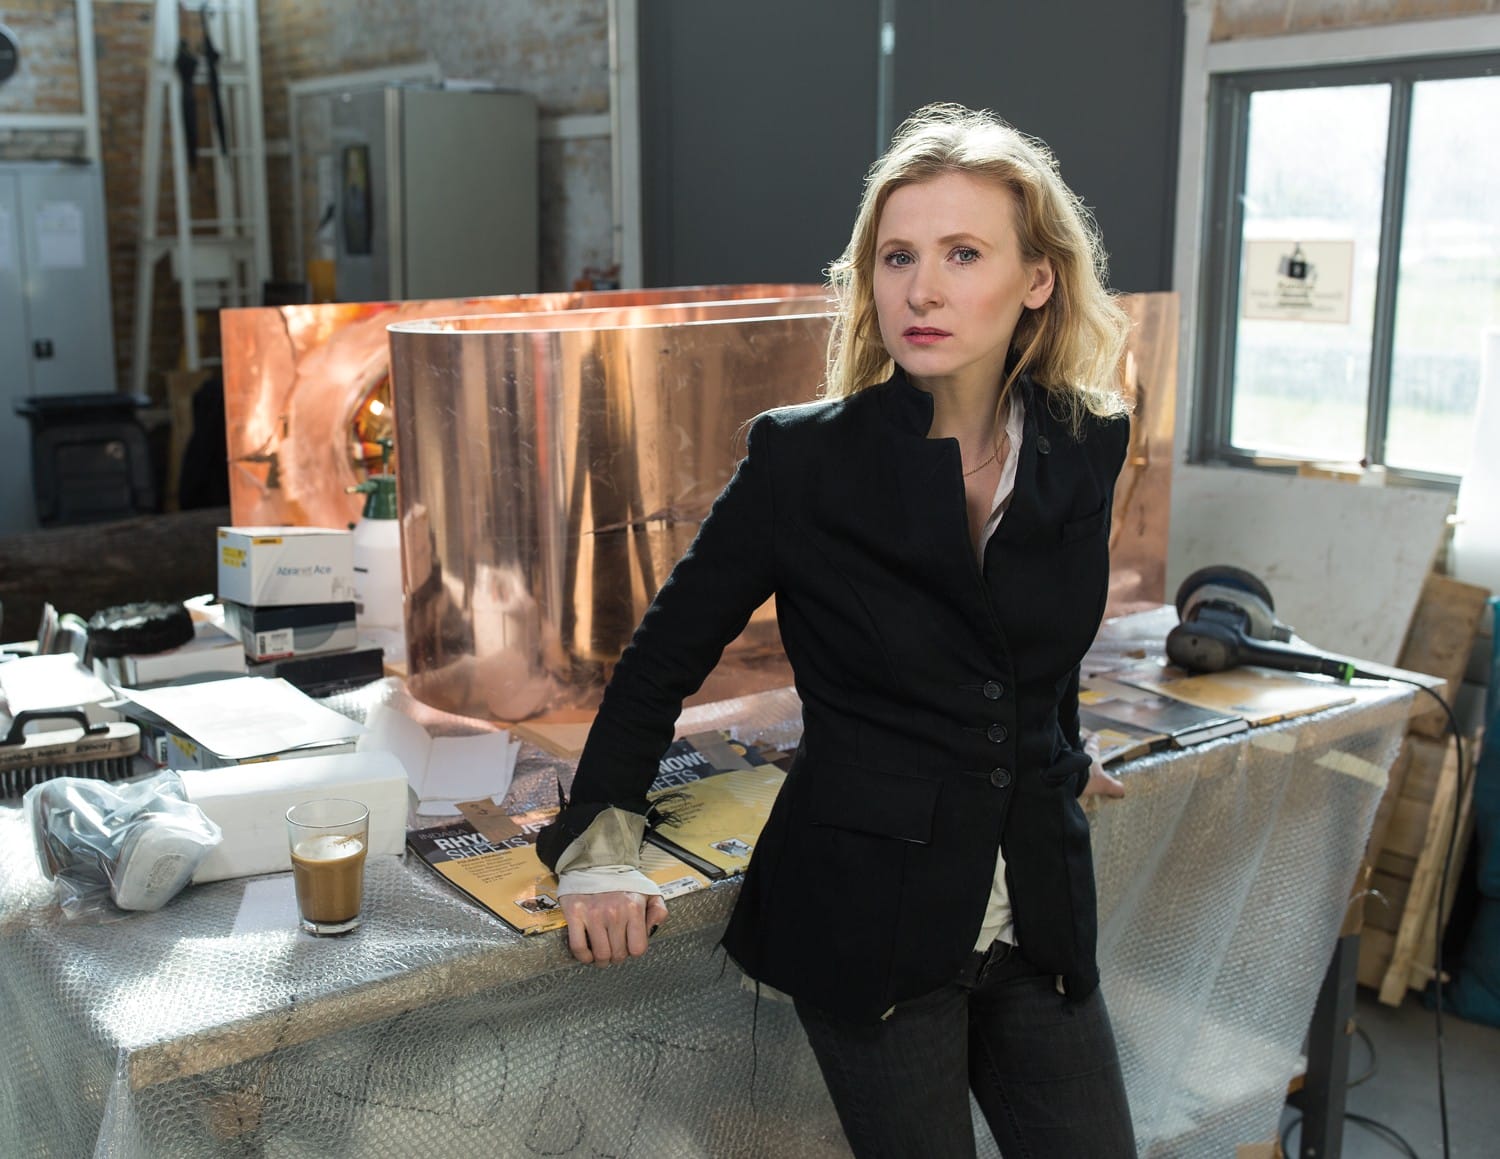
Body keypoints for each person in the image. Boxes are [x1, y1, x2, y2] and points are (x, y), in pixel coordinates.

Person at [536, 102, 1137, 1158]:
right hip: (871, 921)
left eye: (963, 254)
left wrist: (1051, 746)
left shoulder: (1085, 439)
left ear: (1038, 278)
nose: (922, 289)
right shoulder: (803, 462)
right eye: (898, 257)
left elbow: (1033, 634)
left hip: (1036, 906)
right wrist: (599, 846)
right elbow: (664, 657)